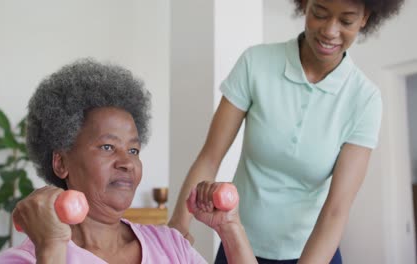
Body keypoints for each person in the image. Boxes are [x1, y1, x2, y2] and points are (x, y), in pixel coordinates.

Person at [168, 0, 404, 263]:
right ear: (305, 4)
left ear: (365, 18)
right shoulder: (256, 63)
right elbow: (210, 157)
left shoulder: (364, 99)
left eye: (346, 21)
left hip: (313, 252)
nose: (330, 30)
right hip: (238, 244)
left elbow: (337, 209)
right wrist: (179, 224)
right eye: (320, 13)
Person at [0, 59, 256, 264]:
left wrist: (230, 228)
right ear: (61, 163)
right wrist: (51, 247)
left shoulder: (169, 245)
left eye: (133, 151)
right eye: (108, 147)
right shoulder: (30, 258)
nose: (126, 163)